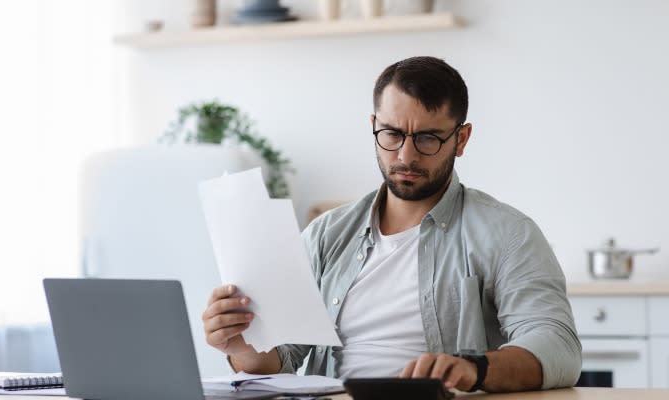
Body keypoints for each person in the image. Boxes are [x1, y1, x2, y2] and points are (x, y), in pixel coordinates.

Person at [202, 56, 582, 393]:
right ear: (373, 125)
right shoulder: (325, 234)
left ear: (461, 139)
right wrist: (240, 345)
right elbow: (282, 359)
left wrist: (473, 368)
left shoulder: (508, 234)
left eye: (428, 138)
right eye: (392, 134)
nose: (406, 155)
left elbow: (557, 346)